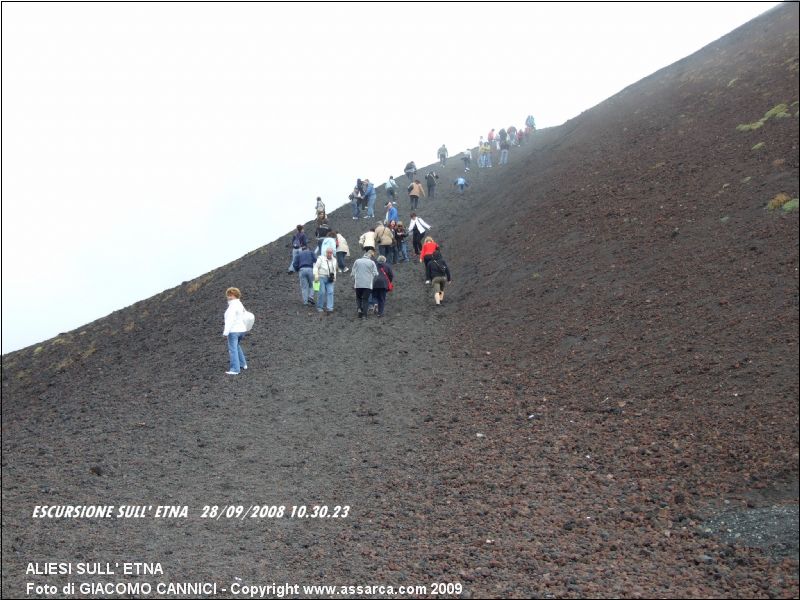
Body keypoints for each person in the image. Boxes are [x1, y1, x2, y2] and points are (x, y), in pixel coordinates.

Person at [222, 287, 248, 374]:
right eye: (228, 295)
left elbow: (230, 320)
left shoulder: (232, 306)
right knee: (236, 346)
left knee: (232, 349)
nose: (229, 297)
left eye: (231, 295)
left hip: (234, 331)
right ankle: (243, 364)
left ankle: (235, 369)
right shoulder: (240, 304)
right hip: (242, 330)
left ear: (235, 295)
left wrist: (225, 332)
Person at [351, 251, 379, 319]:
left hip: (358, 284)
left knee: (358, 298)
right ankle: (364, 315)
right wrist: (371, 278)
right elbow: (376, 273)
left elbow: (353, 273)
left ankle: (359, 309)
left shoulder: (357, 261)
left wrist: (354, 280)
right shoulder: (371, 262)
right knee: (365, 299)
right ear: (369, 257)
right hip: (367, 284)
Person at [313, 247, 337, 316]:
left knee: (330, 292)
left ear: (332, 253)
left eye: (330, 253)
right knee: (322, 292)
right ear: (326, 252)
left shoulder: (334, 260)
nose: (329, 254)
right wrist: (316, 275)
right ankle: (320, 307)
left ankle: (330, 308)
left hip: (330, 278)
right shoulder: (320, 258)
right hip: (321, 277)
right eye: (328, 252)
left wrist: (334, 277)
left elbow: (334, 270)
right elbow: (316, 267)